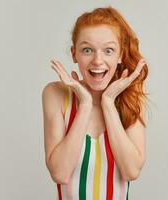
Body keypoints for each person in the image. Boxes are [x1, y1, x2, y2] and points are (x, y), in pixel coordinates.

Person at [42, 6, 149, 200]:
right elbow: (59, 173)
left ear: (121, 55)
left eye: (108, 50)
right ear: (74, 54)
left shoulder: (131, 98)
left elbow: (131, 171)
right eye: (87, 50)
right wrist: (85, 105)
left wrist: (108, 103)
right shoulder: (55, 95)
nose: (97, 60)